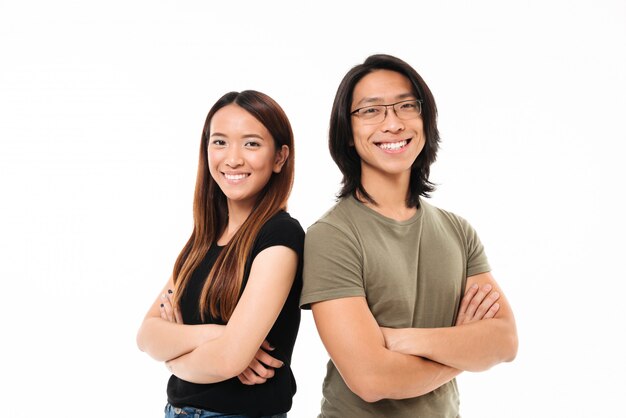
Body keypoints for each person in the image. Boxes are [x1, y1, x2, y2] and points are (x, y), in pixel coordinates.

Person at [299, 54, 518, 417]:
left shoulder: (458, 231)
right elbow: (371, 379)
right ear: (347, 134)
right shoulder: (332, 236)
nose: (393, 123)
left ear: (425, 120)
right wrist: (463, 349)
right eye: (371, 111)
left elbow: (505, 341)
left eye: (406, 106)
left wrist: (404, 340)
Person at [137, 90, 304, 418]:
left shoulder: (280, 236)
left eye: (251, 143)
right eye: (220, 142)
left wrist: (173, 356)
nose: (233, 159)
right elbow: (147, 334)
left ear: (280, 157)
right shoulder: (203, 240)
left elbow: (229, 360)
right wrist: (217, 334)